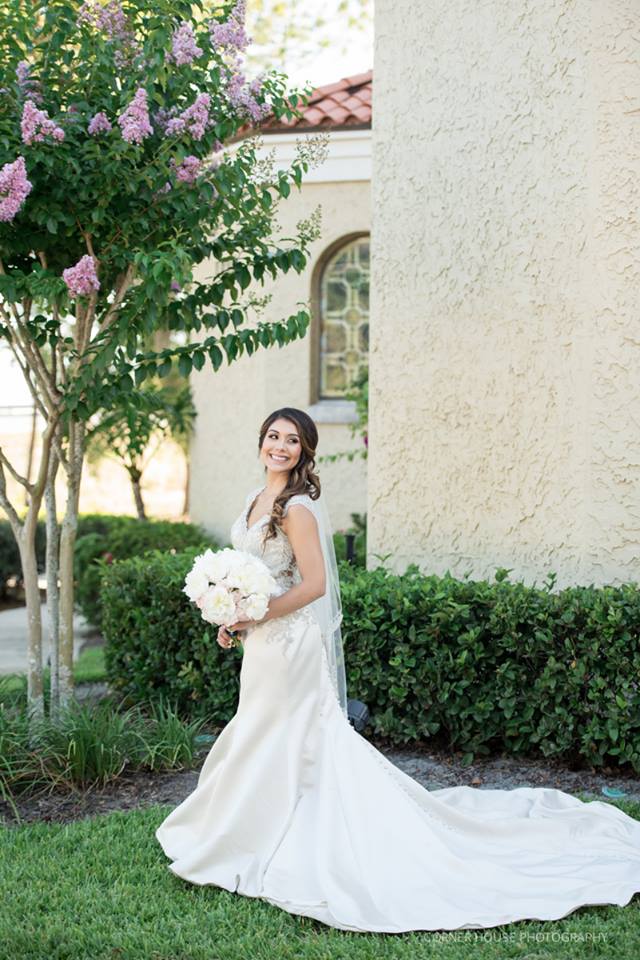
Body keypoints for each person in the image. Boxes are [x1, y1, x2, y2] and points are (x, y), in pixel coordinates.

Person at [156, 406, 640, 933]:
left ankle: (261, 836)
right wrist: (233, 617)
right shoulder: (255, 500)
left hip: (291, 646)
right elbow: (251, 579)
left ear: (305, 452)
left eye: (292, 440)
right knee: (261, 731)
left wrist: (257, 612)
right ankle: (244, 828)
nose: (280, 446)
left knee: (281, 734)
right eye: (273, 435)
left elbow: (314, 585)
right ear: (261, 442)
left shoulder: (297, 509)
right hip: (263, 643)